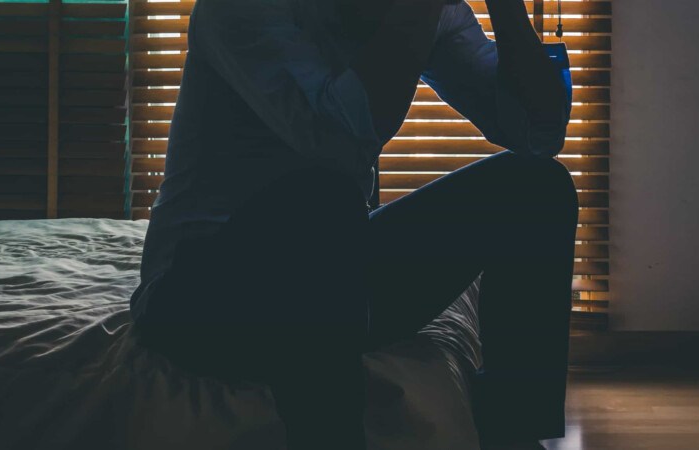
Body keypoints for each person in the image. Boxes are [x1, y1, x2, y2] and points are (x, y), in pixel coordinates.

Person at [129, 0, 578, 448]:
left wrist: (507, 11)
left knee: (538, 189)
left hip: (326, 284)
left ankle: (511, 431)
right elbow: (338, 146)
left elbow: (539, 133)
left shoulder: (424, 13)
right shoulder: (242, 9)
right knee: (325, 197)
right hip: (197, 292)